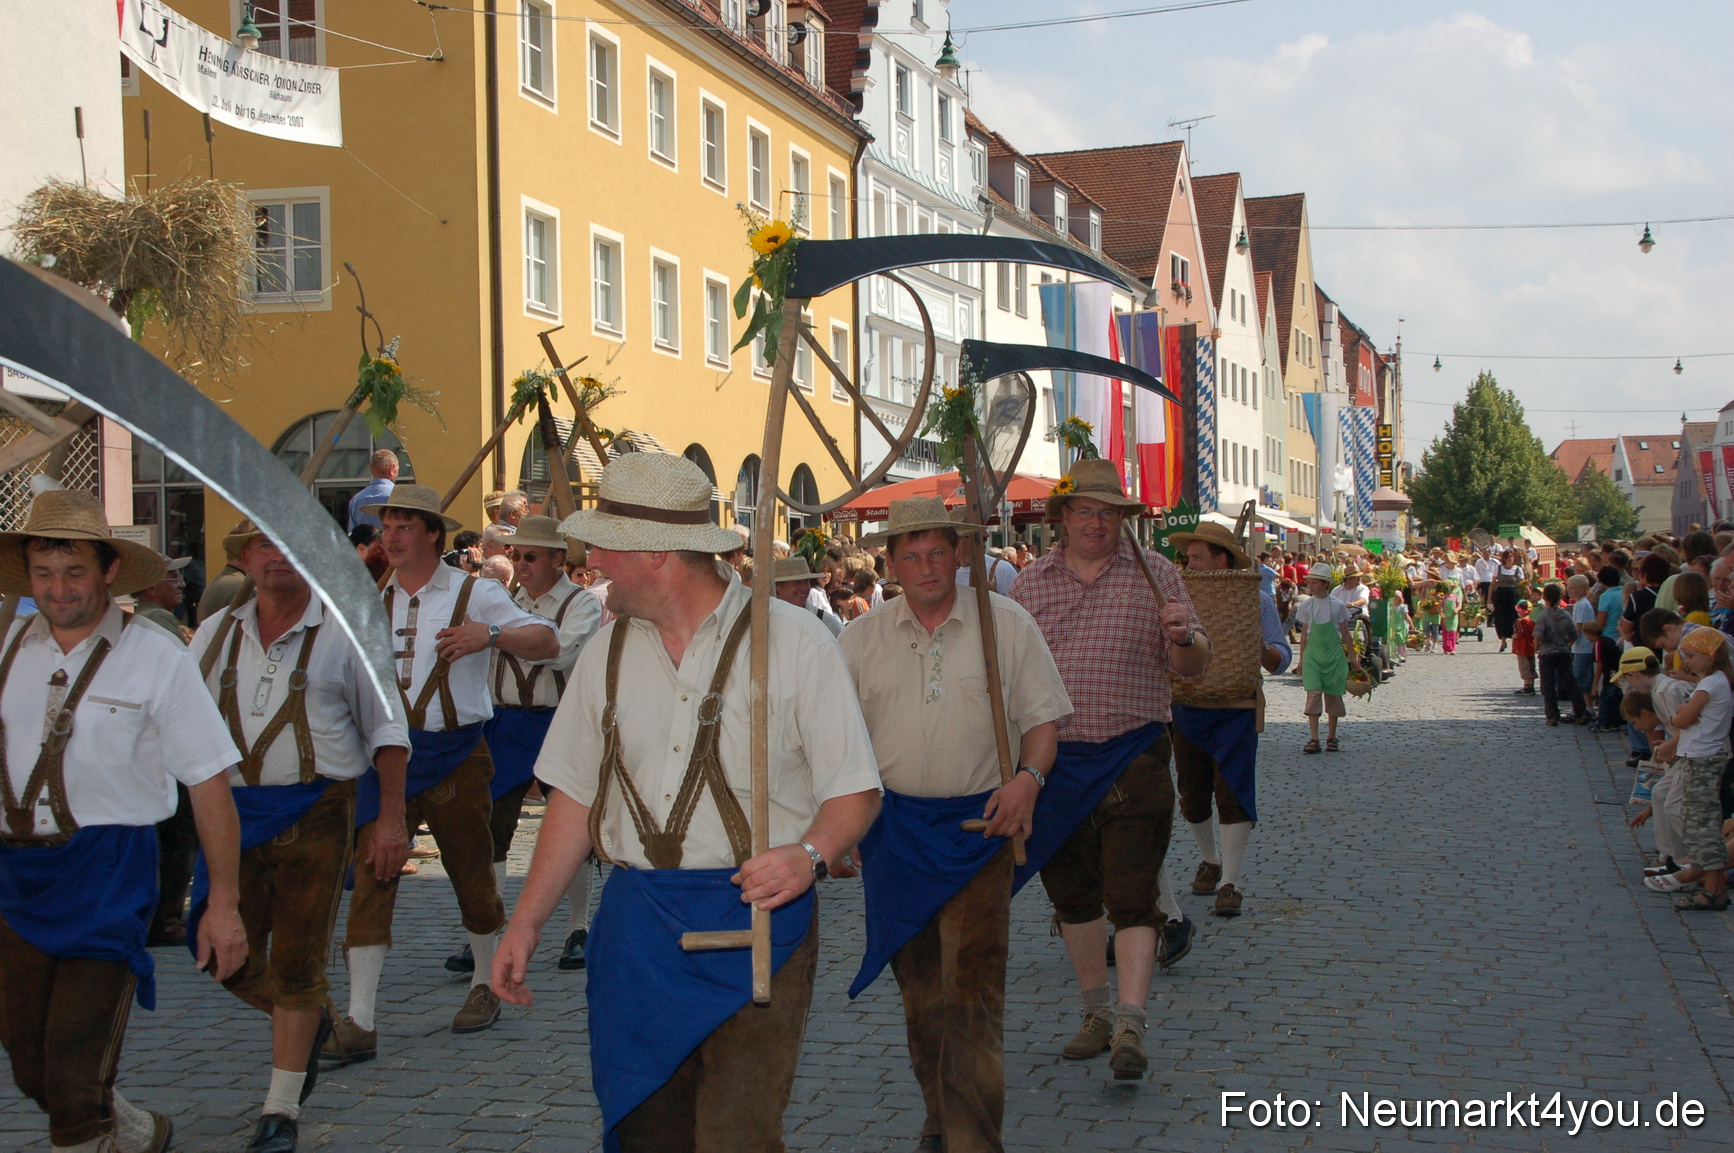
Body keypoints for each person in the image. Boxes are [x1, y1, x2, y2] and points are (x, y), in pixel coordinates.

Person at [491, 454, 881, 1151]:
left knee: (738, 1136)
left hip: (759, 917)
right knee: (646, 1131)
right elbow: (575, 797)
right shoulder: (603, 654)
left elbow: (854, 787)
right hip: (637, 930)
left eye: (608, 540)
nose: (595, 556)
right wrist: (525, 923)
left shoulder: (792, 644)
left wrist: (810, 854)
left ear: (658, 552)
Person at [0, 490, 247, 1153]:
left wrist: (222, 902)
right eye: (45, 572)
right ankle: (132, 1128)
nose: (58, 589)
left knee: (74, 1073)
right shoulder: (7, 648)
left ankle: (94, 1125)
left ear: (108, 571)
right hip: (15, 874)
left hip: (110, 872)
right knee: (30, 1065)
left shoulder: (156, 655)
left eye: (74, 571)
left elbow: (209, 782)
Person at [839, 496, 1071, 1153]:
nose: (926, 566)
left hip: (980, 832)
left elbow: (1044, 723)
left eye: (937, 551)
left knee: (971, 998)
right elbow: (830, 739)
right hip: (894, 837)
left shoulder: (1007, 626)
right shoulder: (859, 639)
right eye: (910, 555)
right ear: (890, 563)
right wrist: (835, 825)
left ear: (961, 553)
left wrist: (1029, 780)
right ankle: (941, 1114)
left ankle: (974, 1141)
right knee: (922, 999)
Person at [189, 525, 410, 1153]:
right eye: (263, 543)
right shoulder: (213, 633)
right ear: (244, 559)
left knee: (297, 959)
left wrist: (390, 819)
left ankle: (280, 1111)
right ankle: (311, 1021)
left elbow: (388, 729)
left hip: (318, 806)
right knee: (215, 953)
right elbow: (175, 721)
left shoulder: (346, 629)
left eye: (292, 541)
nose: (278, 554)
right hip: (231, 811)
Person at [323, 484, 558, 1063]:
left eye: (404, 526)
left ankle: (486, 982)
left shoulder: (474, 592)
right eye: (386, 526)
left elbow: (547, 641)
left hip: (455, 753)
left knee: (471, 875)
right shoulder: (368, 597)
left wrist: (492, 634)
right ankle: (360, 1018)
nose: (392, 536)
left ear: (432, 533)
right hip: (384, 759)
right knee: (373, 879)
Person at [1008, 459, 1208, 1081]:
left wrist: (1182, 637)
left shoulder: (1158, 576)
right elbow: (1008, 681)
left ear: (1124, 519)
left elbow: (1195, 667)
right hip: (1056, 764)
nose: (1097, 522)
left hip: (1136, 755)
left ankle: (1131, 1023)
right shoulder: (1030, 586)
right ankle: (1095, 1012)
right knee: (1072, 897)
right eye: (1085, 511)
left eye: (1109, 512)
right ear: (1062, 518)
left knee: (1132, 895)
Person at [445, 516, 602, 977]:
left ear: (558, 559)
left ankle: (578, 928)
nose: (521, 563)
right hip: (505, 723)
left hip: (561, 721)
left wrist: (494, 635)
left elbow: (563, 652)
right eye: (516, 555)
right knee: (490, 827)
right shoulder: (500, 600)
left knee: (573, 828)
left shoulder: (581, 604)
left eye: (531, 555)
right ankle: (487, 929)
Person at [1166, 523, 1290, 919]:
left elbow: (1282, 660)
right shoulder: (1175, 599)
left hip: (1236, 706)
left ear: (1222, 559)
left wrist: (1258, 646)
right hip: (1186, 705)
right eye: (1187, 557)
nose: (1189, 564)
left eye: (1197, 556)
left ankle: (1230, 882)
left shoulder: (1255, 599)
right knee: (1192, 792)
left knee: (1234, 790)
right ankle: (1210, 859)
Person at [1657, 627, 1733, 911]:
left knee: (1702, 826)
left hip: (1702, 757)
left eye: (1690, 655)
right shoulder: (1719, 681)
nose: (1685, 661)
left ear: (1709, 655)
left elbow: (1682, 719)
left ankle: (1713, 889)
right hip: (1706, 755)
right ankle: (1716, 885)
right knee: (1703, 823)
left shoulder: (1709, 685)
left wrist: (1679, 714)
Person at [1296, 563, 1361, 752]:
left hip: (1333, 656)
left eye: (1315, 583)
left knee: (1333, 695)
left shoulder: (1337, 605)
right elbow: (1305, 635)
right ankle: (1314, 738)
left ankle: (1332, 736)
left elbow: (1345, 633)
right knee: (1314, 693)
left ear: (1325, 584)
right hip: (1313, 657)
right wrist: (1301, 659)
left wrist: (1353, 658)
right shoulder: (1307, 605)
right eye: (1310, 583)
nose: (1311, 586)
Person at [1533, 584, 1582, 726]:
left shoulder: (1543, 615)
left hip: (1547, 652)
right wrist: (1567, 645)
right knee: (1571, 683)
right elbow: (1573, 634)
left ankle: (1552, 715)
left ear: (1545, 598)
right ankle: (1580, 713)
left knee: (1548, 685)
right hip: (1563, 652)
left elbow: (1538, 635)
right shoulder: (1566, 615)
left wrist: (1536, 647)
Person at [772, 556, 843, 636]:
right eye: (797, 582)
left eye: (807, 582)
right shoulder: (767, 620)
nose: (805, 588)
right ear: (778, 585)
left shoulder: (826, 622)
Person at [346, 449, 399, 533]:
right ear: (392, 469)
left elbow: (353, 535)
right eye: (397, 469)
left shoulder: (356, 500)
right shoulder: (399, 497)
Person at [1491, 550, 1524, 652]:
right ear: (1504, 558)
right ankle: (1503, 641)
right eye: (1509, 557)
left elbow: (1522, 585)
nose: (1511, 559)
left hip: (1513, 596)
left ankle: (1514, 643)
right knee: (1501, 618)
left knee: (1513, 619)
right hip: (1501, 596)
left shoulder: (1518, 569)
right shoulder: (1498, 568)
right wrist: (1489, 598)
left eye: (1512, 557)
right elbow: (1492, 584)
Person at [1512, 601, 1537, 695]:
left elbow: (1520, 633)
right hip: (1530, 646)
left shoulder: (1520, 621)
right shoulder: (1531, 621)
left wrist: (1514, 636)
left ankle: (1527, 687)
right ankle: (1531, 685)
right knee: (1531, 666)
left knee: (1524, 667)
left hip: (1522, 647)